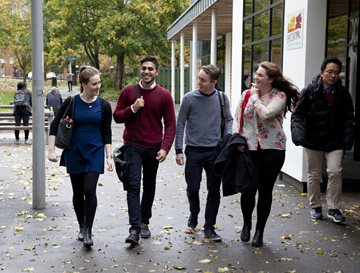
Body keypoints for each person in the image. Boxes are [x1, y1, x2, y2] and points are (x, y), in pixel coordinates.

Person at [233, 61, 299, 247]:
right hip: (249, 149)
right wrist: (237, 140)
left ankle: (259, 231)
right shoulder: (245, 95)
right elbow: (237, 119)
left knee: (265, 191)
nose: (256, 77)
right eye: (256, 73)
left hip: (273, 150)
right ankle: (247, 223)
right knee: (248, 189)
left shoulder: (279, 96)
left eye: (260, 75)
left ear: (270, 79)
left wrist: (255, 97)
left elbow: (266, 114)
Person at [48, 66, 114, 249]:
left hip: (95, 152)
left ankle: (88, 231)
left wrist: (109, 157)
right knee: (78, 192)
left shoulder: (104, 105)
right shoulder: (72, 102)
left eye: (99, 82)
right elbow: (54, 125)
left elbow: (106, 133)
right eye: (94, 83)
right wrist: (51, 150)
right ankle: (81, 225)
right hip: (74, 152)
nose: (98, 86)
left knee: (89, 190)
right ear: (84, 84)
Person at [113, 56, 176, 246]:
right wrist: (133, 108)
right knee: (133, 185)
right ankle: (134, 228)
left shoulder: (164, 95)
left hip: (153, 148)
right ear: (140, 70)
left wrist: (165, 148)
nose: (147, 72)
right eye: (144, 68)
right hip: (133, 146)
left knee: (149, 185)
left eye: (150, 69)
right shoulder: (128, 91)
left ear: (156, 72)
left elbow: (171, 124)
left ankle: (144, 221)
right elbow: (117, 116)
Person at [291, 57, 354, 223]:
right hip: (313, 140)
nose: (333, 75)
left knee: (335, 171)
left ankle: (334, 208)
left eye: (336, 72)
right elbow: (297, 115)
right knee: (314, 174)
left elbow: (349, 118)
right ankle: (316, 206)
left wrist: (348, 138)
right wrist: (298, 134)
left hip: (335, 141)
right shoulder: (309, 91)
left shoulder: (343, 93)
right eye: (329, 71)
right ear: (322, 72)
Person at [175, 64, 233, 242]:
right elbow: (181, 124)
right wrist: (178, 150)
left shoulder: (222, 98)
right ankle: (194, 214)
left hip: (214, 152)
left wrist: (227, 138)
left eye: (203, 80)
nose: (198, 82)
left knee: (214, 190)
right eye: (198, 78)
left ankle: (209, 227)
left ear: (214, 82)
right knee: (193, 189)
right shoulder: (189, 98)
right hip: (193, 150)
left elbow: (229, 119)